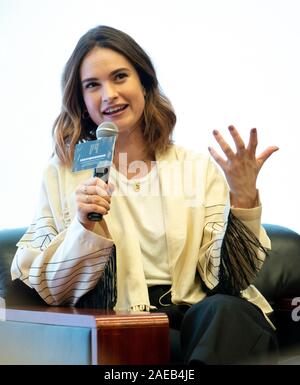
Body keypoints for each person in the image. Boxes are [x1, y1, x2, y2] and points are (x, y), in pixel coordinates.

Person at [11, 25, 279, 364]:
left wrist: (243, 197)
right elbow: (51, 288)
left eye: (120, 77)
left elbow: (230, 278)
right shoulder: (63, 173)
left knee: (228, 311)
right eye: (92, 85)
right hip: (124, 326)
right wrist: (83, 227)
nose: (108, 94)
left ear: (144, 83)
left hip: (204, 320)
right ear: (81, 100)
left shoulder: (195, 167)